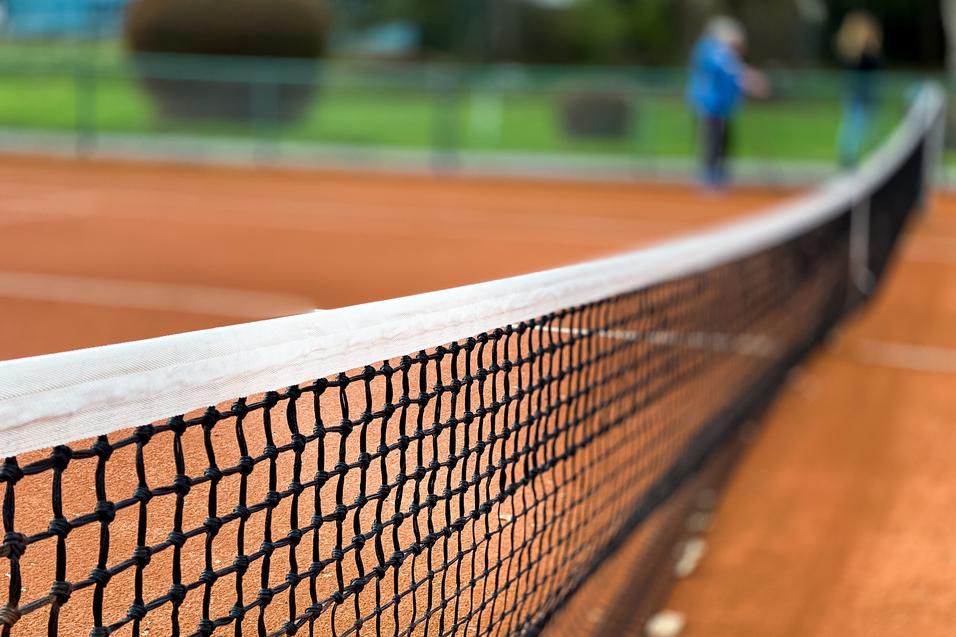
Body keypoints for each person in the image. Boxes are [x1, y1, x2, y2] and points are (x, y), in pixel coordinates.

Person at [687, 16, 767, 190]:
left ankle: (720, 173)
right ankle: (709, 176)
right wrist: (750, 78)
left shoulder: (726, 53)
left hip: (723, 107)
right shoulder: (710, 49)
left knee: (724, 140)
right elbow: (728, 69)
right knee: (712, 140)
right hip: (709, 105)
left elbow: (733, 74)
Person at [835, 11, 883, 168]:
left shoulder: (868, 52)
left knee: (865, 129)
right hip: (858, 95)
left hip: (867, 95)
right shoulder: (857, 53)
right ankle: (850, 160)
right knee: (854, 127)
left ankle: (867, 159)